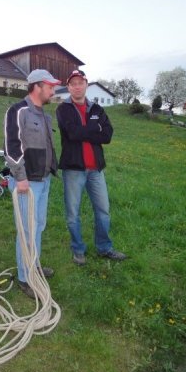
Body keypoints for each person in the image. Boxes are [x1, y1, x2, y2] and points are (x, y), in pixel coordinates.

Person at [56, 70, 126, 265]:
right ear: (68, 87)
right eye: (73, 83)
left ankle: (104, 248)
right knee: (73, 214)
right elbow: (72, 134)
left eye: (81, 82)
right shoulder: (63, 110)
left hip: (96, 170)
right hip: (73, 169)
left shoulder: (97, 109)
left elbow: (108, 136)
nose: (77, 86)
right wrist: (94, 129)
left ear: (86, 85)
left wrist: (86, 132)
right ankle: (78, 250)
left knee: (103, 210)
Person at [4, 69, 61, 298]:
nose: (53, 91)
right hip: (27, 182)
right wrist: (20, 177)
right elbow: (11, 145)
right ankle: (24, 278)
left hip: (43, 180)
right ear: (37, 86)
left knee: (38, 227)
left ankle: (34, 266)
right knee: (27, 231)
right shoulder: (18, 111)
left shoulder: (45, 116)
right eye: (50, 86)